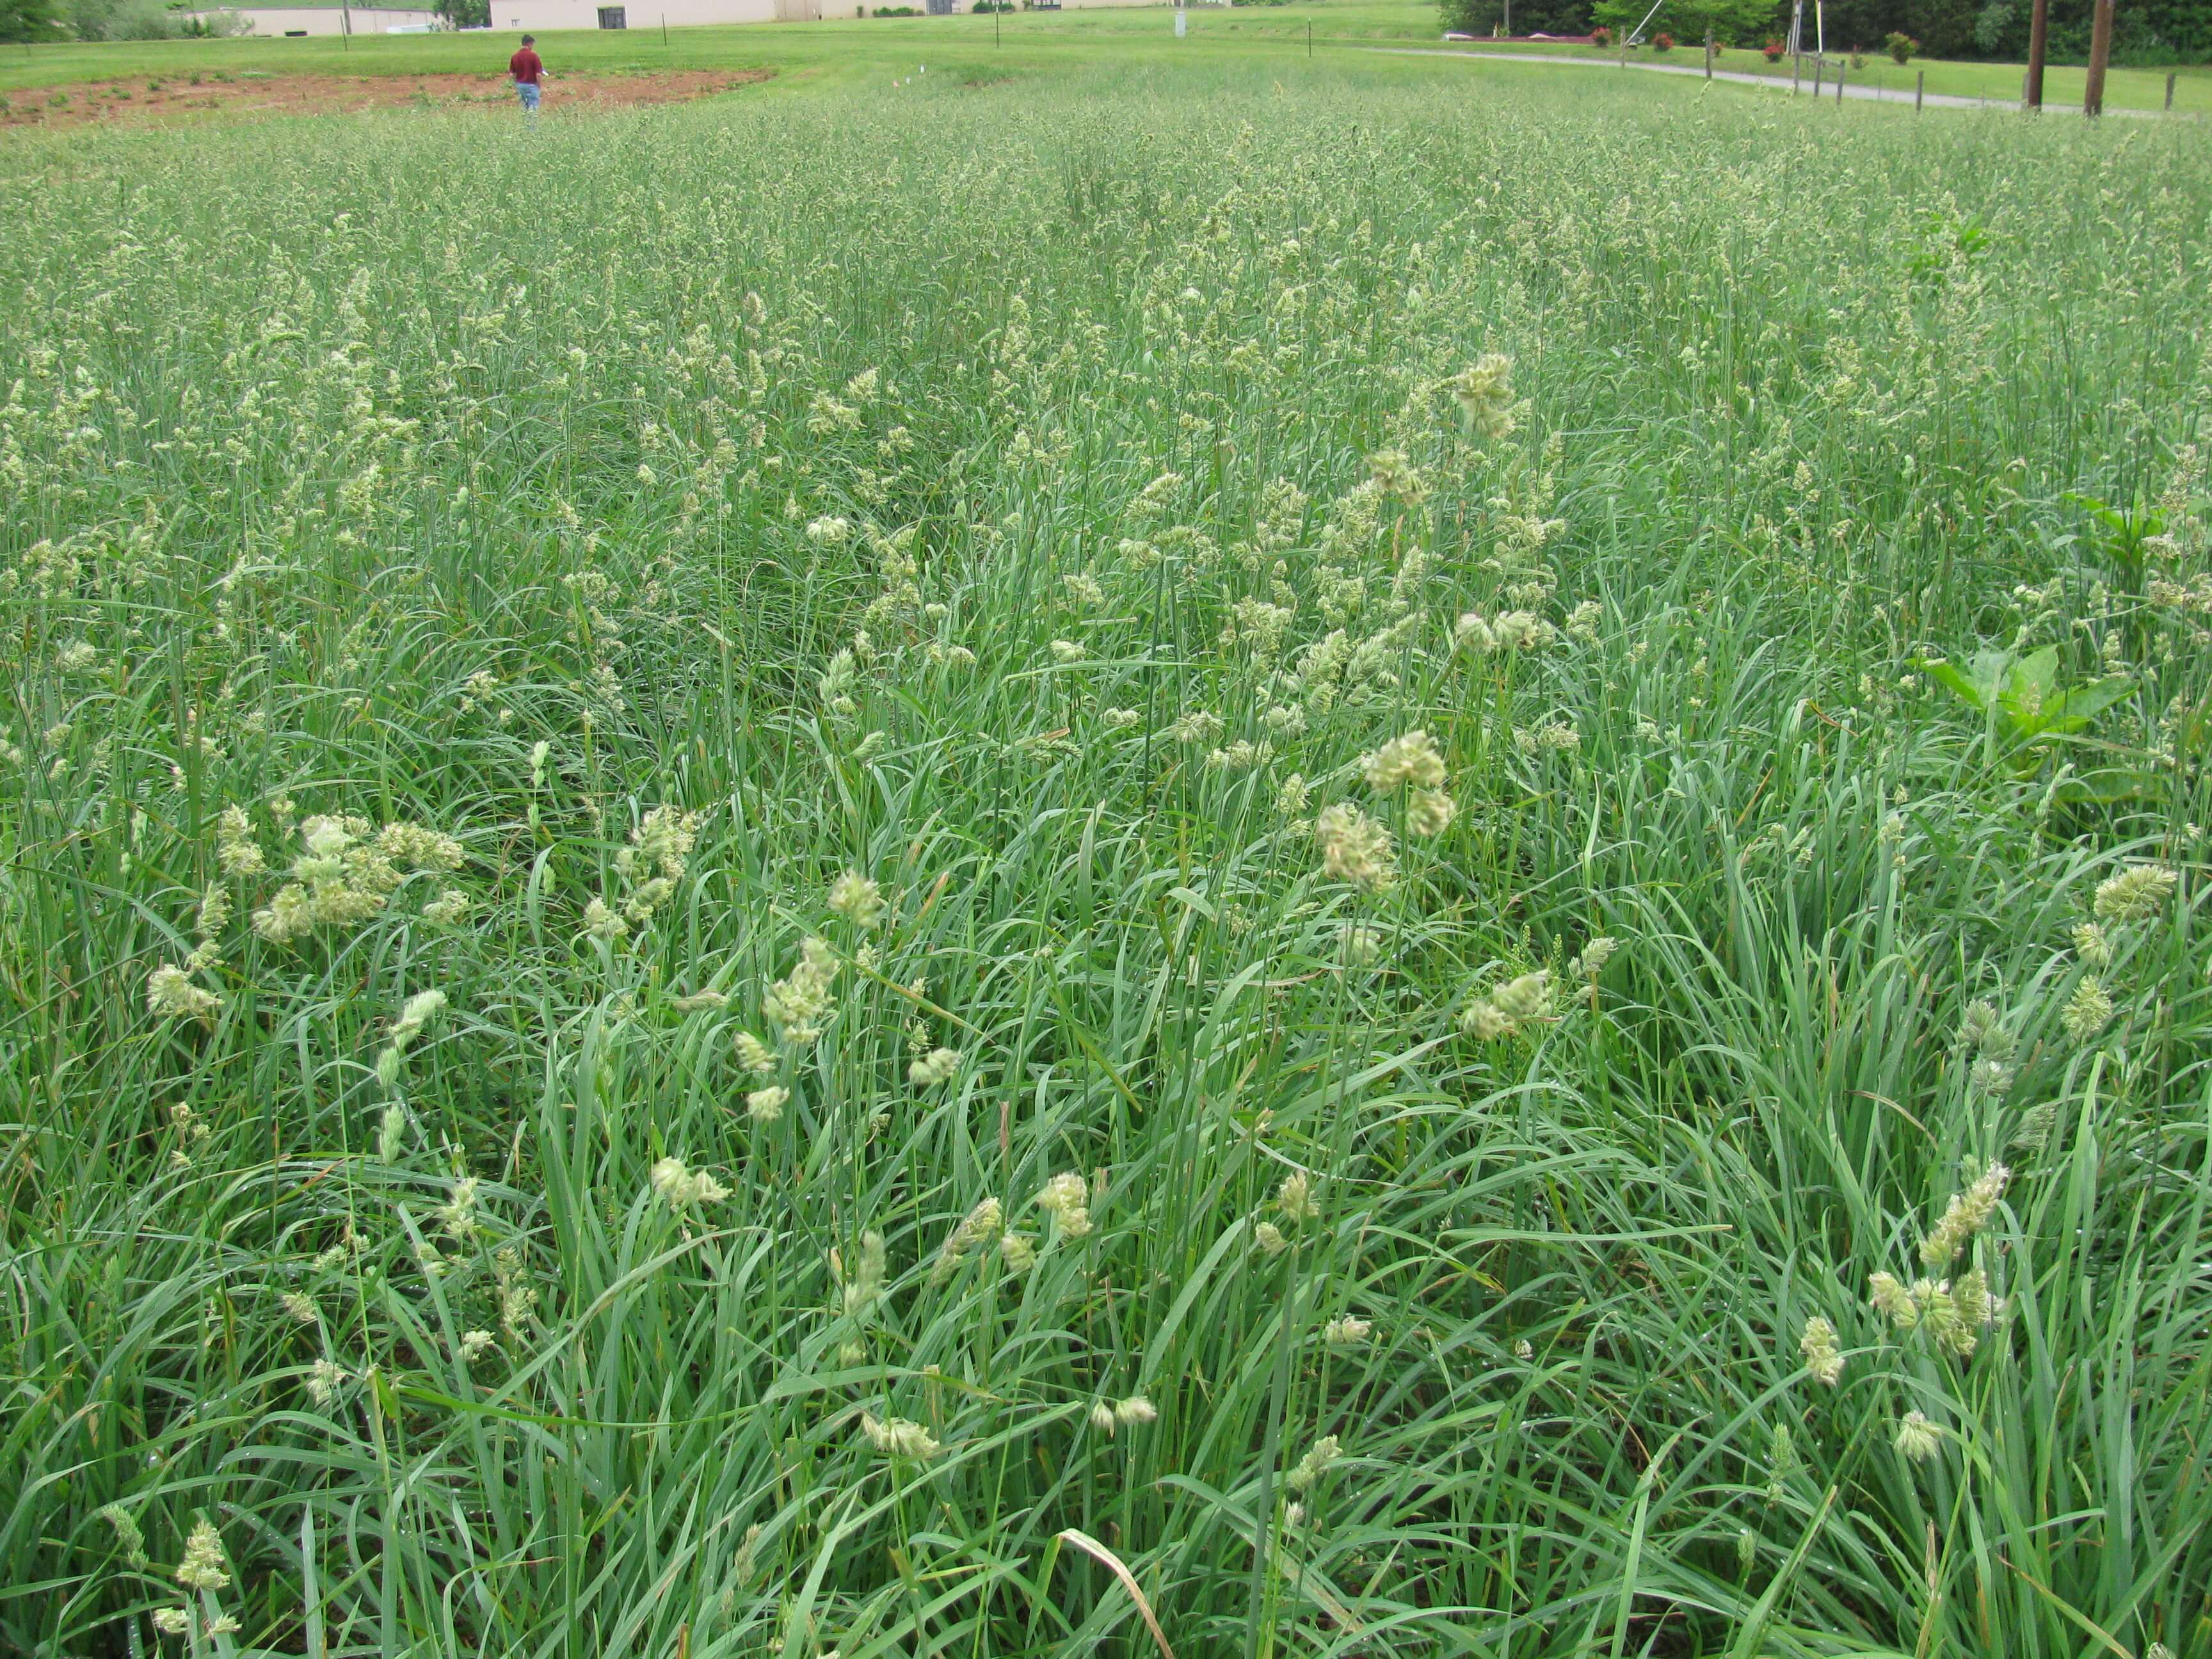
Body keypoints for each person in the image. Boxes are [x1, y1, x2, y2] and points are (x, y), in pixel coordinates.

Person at [509, 35, 543, 122]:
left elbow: (512, 74)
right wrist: (539, 86)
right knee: (533, 110)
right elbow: (538, 75)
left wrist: (516, 84)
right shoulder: (534, 56)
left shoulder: (515, 56)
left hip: (520, 85)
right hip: (532, 85)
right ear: (530, 44)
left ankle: (525, 128)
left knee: (524, 109)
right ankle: (532, 131)